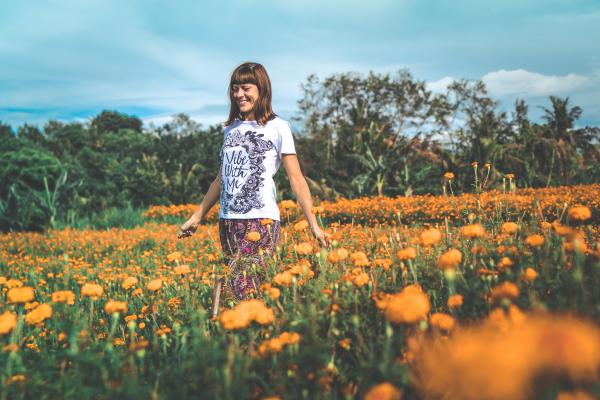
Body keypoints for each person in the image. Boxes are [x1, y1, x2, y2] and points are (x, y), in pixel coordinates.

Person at [177, 62, 331, 316]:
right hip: (228, 222)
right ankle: (245, 343)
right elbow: (221, 179)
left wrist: (313, 223)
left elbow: (297, 179)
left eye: (246, 88)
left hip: (261, 222)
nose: (239, 94)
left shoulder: (278, 127)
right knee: (240, 290)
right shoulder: (230, 130)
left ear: (261, 90)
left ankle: (248, 341)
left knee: (243, 287)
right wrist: (197, 216)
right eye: (235, 88)